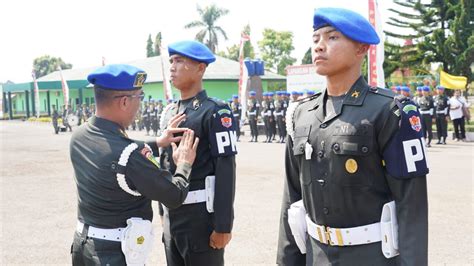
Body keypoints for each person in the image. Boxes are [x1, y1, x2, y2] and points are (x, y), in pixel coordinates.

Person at [277, 7, 428, 266]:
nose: (320, 46)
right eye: (316, 39)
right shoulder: (301, 114)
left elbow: (411, 207)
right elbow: (292, 200)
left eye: (332, 37)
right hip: (316, 256)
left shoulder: (390, 111)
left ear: (361, 49)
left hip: (371, 257)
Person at [70, 64, 199, 265]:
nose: (140, 104)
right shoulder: (130, 156)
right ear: (124, 102)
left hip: (84, 246)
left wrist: (157, 143)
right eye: (140, 97)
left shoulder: (80, 135)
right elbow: (174, 195)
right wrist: (184, 164)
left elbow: (112, 148)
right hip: (115, 254)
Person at [159, 40, 237, 266]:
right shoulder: (171, 111)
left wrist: (223, 225)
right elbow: (164, 164)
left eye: (180, 61)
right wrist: (162, 209)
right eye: (171, 61)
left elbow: (226, 168)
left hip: (200, 218)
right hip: (172, 216)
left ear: (200, 68)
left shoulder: (214, 111)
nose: (172, 67)